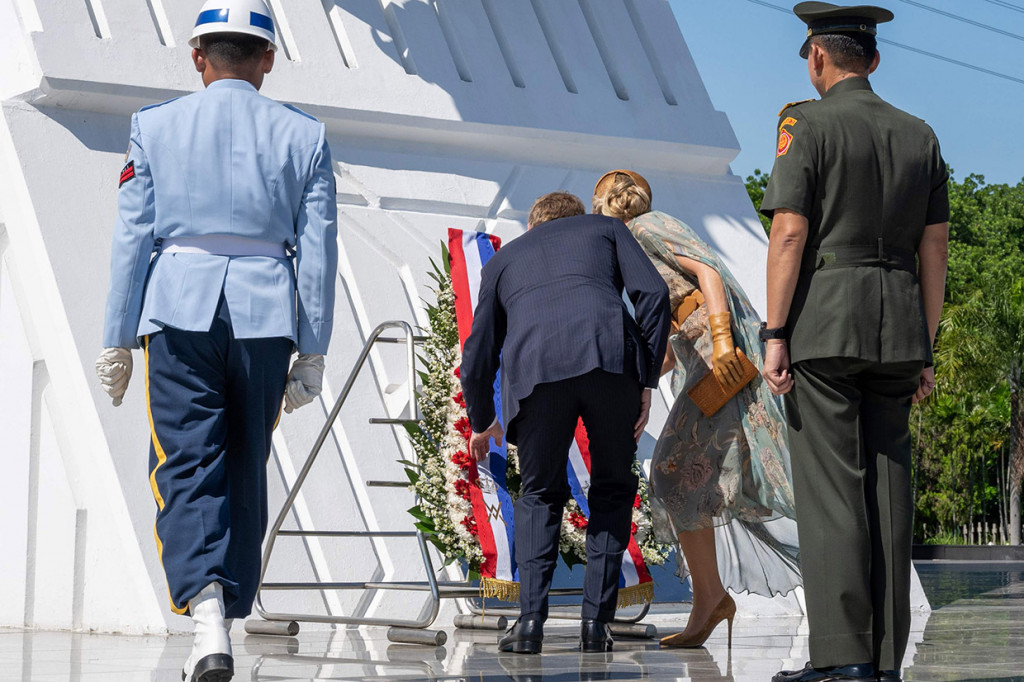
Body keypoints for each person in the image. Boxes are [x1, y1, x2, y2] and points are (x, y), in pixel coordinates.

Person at [93, 1, 338, 679]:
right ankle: (224, 612)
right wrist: (312, 350)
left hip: (178, 307)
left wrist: (116, 336)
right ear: (267, 60)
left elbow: (132, 239)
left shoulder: (154, 126)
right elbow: (318, 253)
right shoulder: (307, 135)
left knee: (185, 460)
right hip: (265, 313)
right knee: (243, 464)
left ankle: (206, 621)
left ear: (197, 57)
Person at [759, 4, 949, 681]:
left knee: (833, 490)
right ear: (874, 58)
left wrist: (776, 331)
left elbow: (789, 232)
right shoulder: (919, 134)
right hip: (899, 325)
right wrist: (925, 345)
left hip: (825, 324)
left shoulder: (804, 124)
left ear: (817, 56)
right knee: (889, 491)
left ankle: (843, 658)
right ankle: (884, 659)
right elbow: (935, 248)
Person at [593, 170, 800, 649]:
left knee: (673, 472)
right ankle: (710, 598)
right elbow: (667, 340)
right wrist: (634, 389)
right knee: (676, 478)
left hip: (718, 357)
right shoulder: (634, 250)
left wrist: (725, 345)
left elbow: (708, 273)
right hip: (702, 357)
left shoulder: (647, 227)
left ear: (608, 204)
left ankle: (711, 599)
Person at [460, 192, 670, 654]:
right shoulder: (606, 228)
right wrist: (647, 378)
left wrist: (482, 418)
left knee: (539, 493)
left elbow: (477, 351)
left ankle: (531, 624)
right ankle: (597, 625)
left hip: (535, 375)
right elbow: (653, 294)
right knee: (612, 488)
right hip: (610, 362)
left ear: (534, 225)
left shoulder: (504, 260)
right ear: (576, 220)